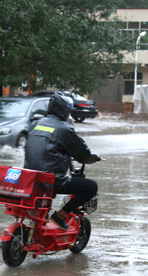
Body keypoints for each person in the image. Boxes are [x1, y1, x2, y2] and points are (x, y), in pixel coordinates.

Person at [24, 92, 100, 230]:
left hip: (31, 177)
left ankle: (38, 221)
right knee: (91, 187)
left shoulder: (38, 123)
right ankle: (60, 215)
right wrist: (94, 157)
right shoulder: (64, 128)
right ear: (66, 110)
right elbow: (82, 154)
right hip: (51, 179)